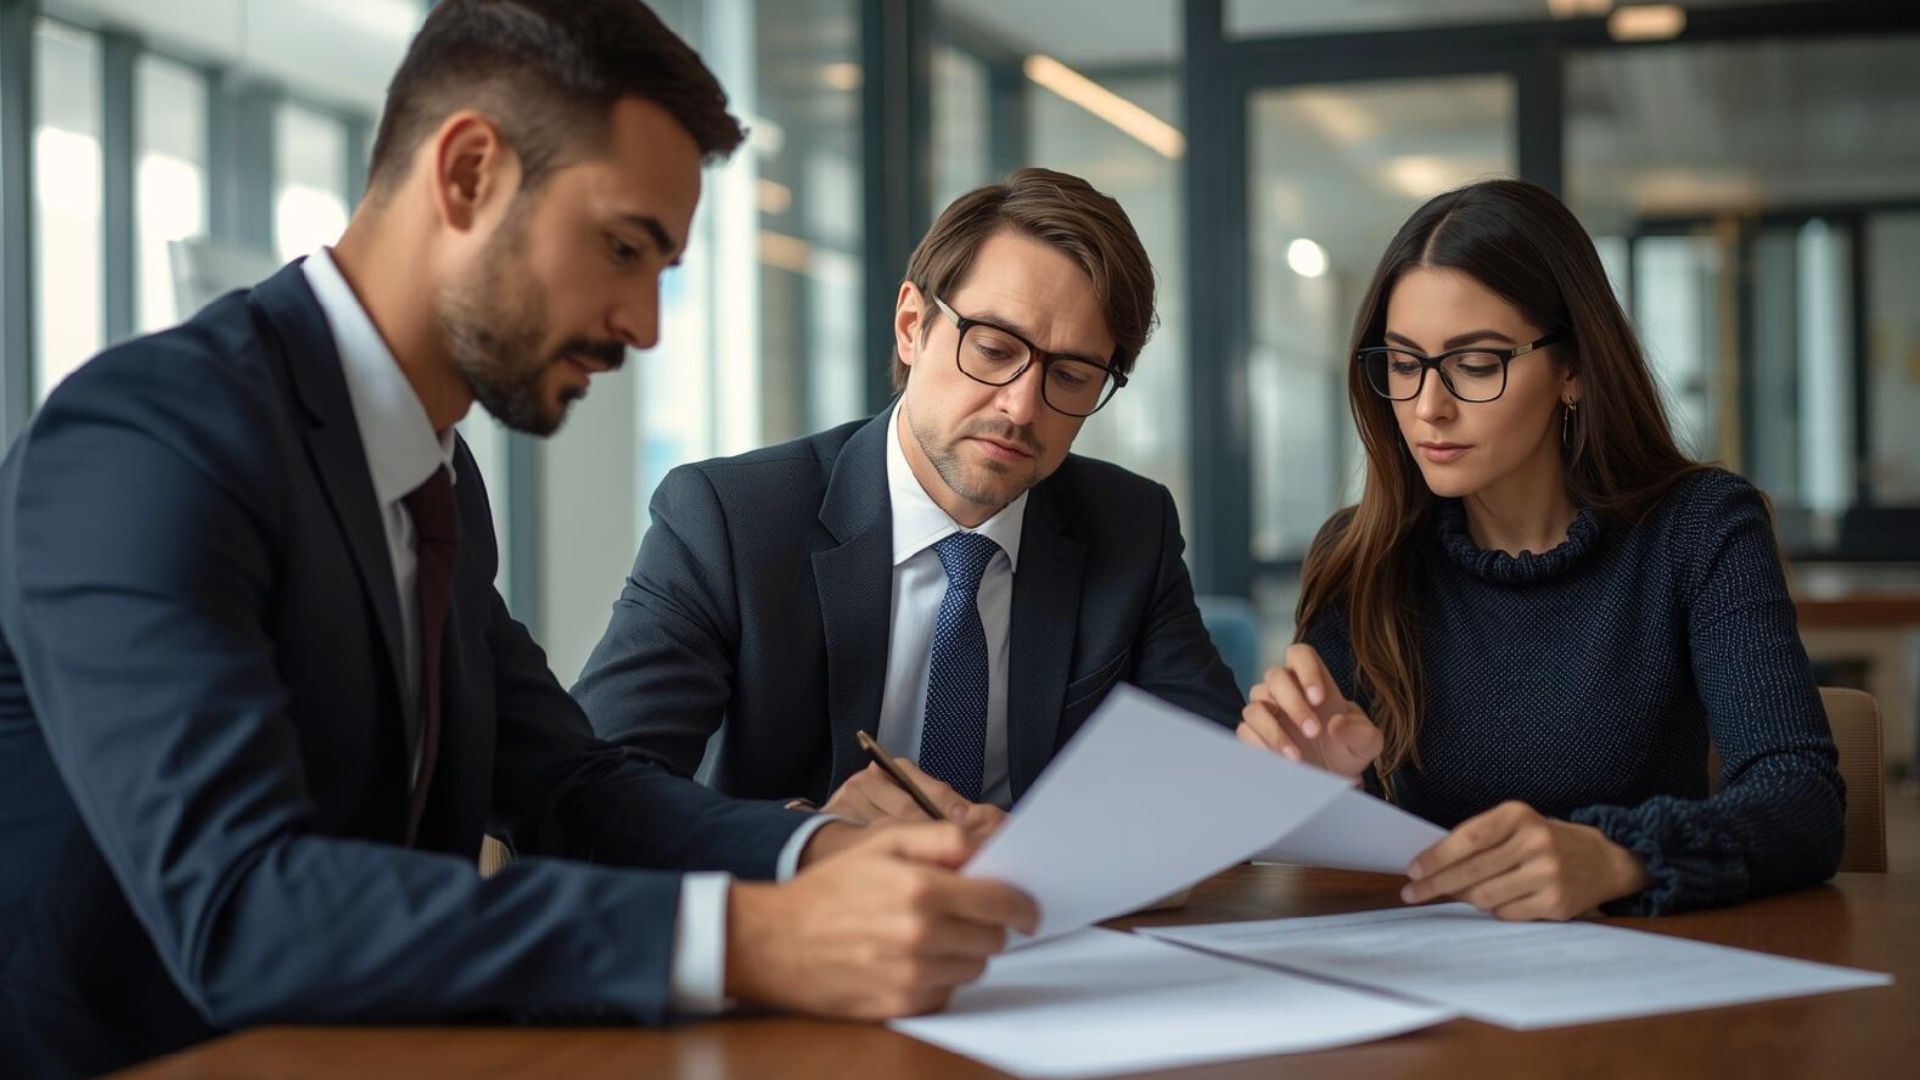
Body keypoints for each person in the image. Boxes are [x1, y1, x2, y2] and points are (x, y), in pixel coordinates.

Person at [0, 3, 1034, 1075]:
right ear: (468, 173)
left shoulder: (433, 473)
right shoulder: (145, 439)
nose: (646, 324)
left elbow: (571, 787)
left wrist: (824, 853)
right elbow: (241, 907)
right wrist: (747, 938)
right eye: (623, 248)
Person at [1236, 179, 1844, 919]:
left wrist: (1618, 856)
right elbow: (1342, 876)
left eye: (1477, 363)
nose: (1429, 407)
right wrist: (1329, 798)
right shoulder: (1362, 556)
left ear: (1573, 369)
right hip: (1436, 989)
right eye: (1403, 364)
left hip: (1648, 986)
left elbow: (1802, 803)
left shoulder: (1701, 528)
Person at [573, 168, 1243, 829]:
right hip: (805, 921)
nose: (1021, 405)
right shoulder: (728, 520)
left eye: (1070, 375)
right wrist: (812, 839)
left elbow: (1209, 775)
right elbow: (594, 788)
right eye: (992, 348)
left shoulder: (1131, 526)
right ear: (911, 325)